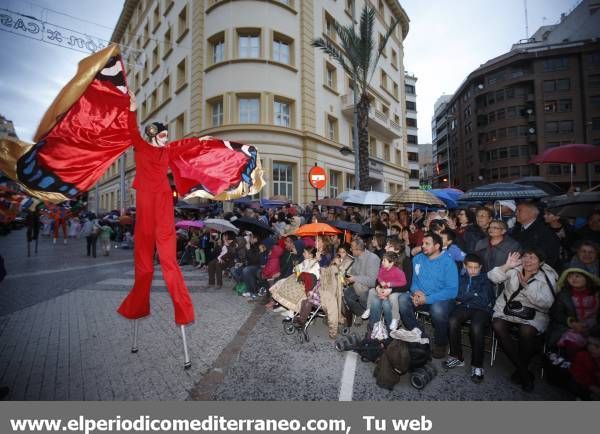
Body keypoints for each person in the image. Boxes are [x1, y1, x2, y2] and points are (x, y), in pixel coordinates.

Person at [488, 250, 558, 392]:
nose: (528, 260)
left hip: (534, 314)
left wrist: (526, 288)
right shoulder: (515, 269)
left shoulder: (548, 276)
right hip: (508, 309)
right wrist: (506, 266)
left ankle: (521, 370)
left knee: (526, 331)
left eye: (533, 257)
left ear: (541, 262)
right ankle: (524, 372)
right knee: (497, 324)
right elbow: (492, 277)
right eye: (526, 256)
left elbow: (547, 303)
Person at [394, 232, 459, 358]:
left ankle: (441, 344)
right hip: (420, 297)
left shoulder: (448, 262)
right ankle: (420, 335)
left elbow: (452, 291)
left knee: (437, 310)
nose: (423, 246)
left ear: (437, 246)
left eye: (427, 244)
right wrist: (416, 291)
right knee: (402, 299)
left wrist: (428, 299)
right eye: (423, 243)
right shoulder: (418, 258)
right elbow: (413, 282)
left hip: (441, 299)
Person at [444, 254, 496, 383]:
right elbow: (457, 296)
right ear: (465, 266)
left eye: (476, 268)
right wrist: (473, 294)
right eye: (470, 267)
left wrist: (466, 297)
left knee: (476, 327)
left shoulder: (485, 280)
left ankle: (477, 365)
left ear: (481, 267)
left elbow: (485, 300)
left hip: (481, 310)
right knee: (452, 320)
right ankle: (457, 356)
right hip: (466, 307)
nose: (473, 270)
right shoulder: (462, 278)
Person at [547, 268, 600, 359]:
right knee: (572, 343)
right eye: (570, 277)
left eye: (577, 276)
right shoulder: (563, 295)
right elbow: (557, 314)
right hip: (571, 328)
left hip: (595, 328)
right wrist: (572, 323)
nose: (573, 279)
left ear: (586, 278)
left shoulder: (597, 294)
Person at [363, 252, 407, 331]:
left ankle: (395, 318)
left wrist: (391, 284)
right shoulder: (382, 269)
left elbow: (403, 282)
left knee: (393, 298)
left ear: (391, 263)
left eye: (384, 261)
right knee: (372, 291)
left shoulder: (398, 271)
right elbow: (379, 277)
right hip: (384, 288)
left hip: (395, 290)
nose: (382, 262)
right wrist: (381, 282)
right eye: (382, 260)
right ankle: (368, 309)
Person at [512, 202, 561, 271]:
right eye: (516, 211)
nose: (516, 213)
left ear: (531, 213)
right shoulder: (516, 229)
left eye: (519, 211)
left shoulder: (545, 233)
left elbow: (550, 257)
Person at [342, 238, 381, 318]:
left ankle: (372, 315)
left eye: (351, 248)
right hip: (359, 286)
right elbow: (353, 273)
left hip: (371, 289)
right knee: (346, 294)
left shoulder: (373, 258)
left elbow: (373, 281)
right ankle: (361, 313)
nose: (350, 250)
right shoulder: (356, 257)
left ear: (358, 249)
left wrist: (355, 278)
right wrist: (348, 279)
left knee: (362, 295)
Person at [292, 247, 322, 326]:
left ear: (311, 255)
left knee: (297, 292)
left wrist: (304, 273)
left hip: (310, 286)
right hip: (302, 282)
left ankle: (301, 314)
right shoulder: (305, 261)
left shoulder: (316, 264)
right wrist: (296, 269)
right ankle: (295, 311)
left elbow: (316, 277)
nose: (303, 254)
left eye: (305, 252)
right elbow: (297, 269)